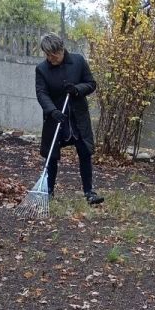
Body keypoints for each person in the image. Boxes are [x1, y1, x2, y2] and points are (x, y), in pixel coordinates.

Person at [35, 33, 104, 204]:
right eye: (48, 55)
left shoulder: (78, 61)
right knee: (51, 156)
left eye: (54, 55)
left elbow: (91, 84)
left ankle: (89, 192)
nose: (51, 58)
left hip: (78, 117)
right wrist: (52, 111)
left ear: (62, 49)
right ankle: (48, 192)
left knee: (85, 153)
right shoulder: (42, 69)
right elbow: (41, 93)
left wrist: (77, 89)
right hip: (56, 118)